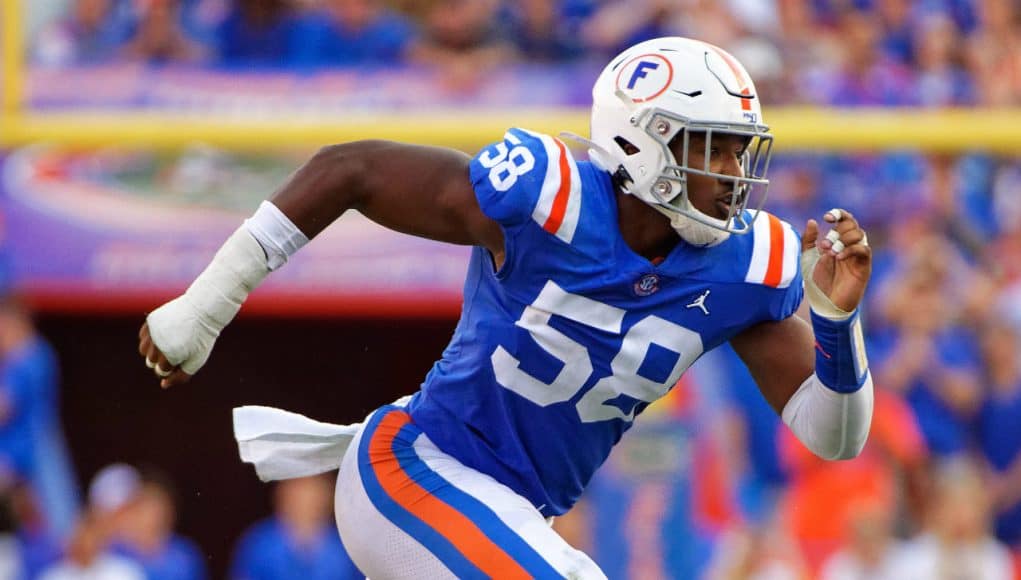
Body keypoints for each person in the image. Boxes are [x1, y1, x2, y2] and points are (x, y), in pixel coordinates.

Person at [138, 36, 875, 578]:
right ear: (640, 143)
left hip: (506, 515)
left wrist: (838, 327)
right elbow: (349, 169)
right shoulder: (549, 200)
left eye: (738, 153)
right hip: (415, 471)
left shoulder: (745, 264)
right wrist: (205, 306)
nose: (730, 176)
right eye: (711, 149)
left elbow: (832, 435)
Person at [230, 475, 361, 580]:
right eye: (298, 488)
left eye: (313, 489)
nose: (306, 499)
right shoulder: (259, 544)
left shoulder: (344, 549)